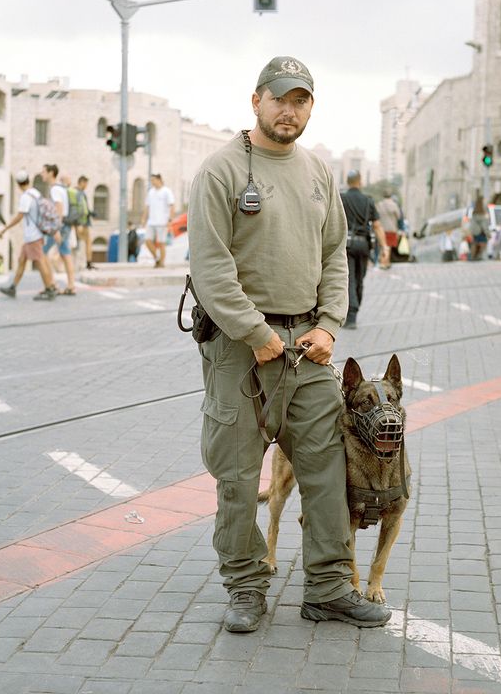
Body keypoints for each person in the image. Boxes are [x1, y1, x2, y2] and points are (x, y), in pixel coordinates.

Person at [187, 55, 391, 634]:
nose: (289, 109)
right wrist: (256, 334)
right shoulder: (221, 171)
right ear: (256, 100)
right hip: (239, 349)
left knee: (328, 467)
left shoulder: (317, 173)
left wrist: (329, 323)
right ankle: (246, 585)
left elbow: (334, 254)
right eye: (280, 98)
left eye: (301, 100)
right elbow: (210, 267)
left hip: (308, 347)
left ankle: (328, 587)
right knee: (236, 473)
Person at [0, 171, 56, 300]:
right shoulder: (35, 192)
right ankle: (13, 287)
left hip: (32, 236)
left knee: (40, 263)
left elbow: (19, 216)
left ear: (18, 184)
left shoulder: (26, 197)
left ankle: (49, 289)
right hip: (36, 234)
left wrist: (4, 229)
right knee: (22, 261)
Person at [341, 171, 389, 326]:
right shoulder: (368, 201)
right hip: (364, 245)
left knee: (349, 279)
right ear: (360, 182)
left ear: (347, 182)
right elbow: (377, 225)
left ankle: (352, 313)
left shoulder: (342, 198)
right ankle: (356, 307)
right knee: (360, 278)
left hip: (347, 245)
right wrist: (384, 247)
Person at [41, 164, 77, 295]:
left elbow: (59, 209)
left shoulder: (55, 189)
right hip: (65, 225)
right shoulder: (60, 188)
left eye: (44, 172)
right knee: (65, 254)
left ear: (51, 173)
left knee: (42, 251)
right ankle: (71, 285)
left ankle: (51, 283)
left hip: (58, 226)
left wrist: (55, 229)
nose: (42, 174)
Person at [142, 173, 175, 268]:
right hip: (151, 221)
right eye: (151, 180)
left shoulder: (166, 191)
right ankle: (156, 258)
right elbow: (147, 206)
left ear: (159, 179)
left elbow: (172, 205)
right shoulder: (151, 192)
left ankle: (161, 262)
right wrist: (144, 218)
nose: (152, 182)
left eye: (153, 180)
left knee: (161, 243)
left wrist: (170, 220)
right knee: (147, 241)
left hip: (162, 222)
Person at [72, 175, 96, 270]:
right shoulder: (78, 193)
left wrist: (90, 213)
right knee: (80, 243)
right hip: (81, 222)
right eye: (86, 183)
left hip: (82, 222)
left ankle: (87, 262)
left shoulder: (79, 193)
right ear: (82, 182)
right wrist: (80, 222)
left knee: (84, 242)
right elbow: (80, 209)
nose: (86, 186)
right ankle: (84, 263)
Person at [375, 190, 401, 269]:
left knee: (382, 245)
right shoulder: (394, 205)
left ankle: (383, 261)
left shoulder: (379, 205)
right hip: (391, 228)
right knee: (388, 246)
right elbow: (399, 216)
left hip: (381, 228)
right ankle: (385, 262)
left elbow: (375, 216)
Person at [469, 195, 490, 260]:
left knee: (475, 243)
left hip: (474, 231)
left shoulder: (474, 211)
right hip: (481, 231)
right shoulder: (482, 213)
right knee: (483, 242)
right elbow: (484, 225)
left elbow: (471, 223)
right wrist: (488, 233)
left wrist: (471, 231)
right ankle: (479, 255)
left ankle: (473, 256)